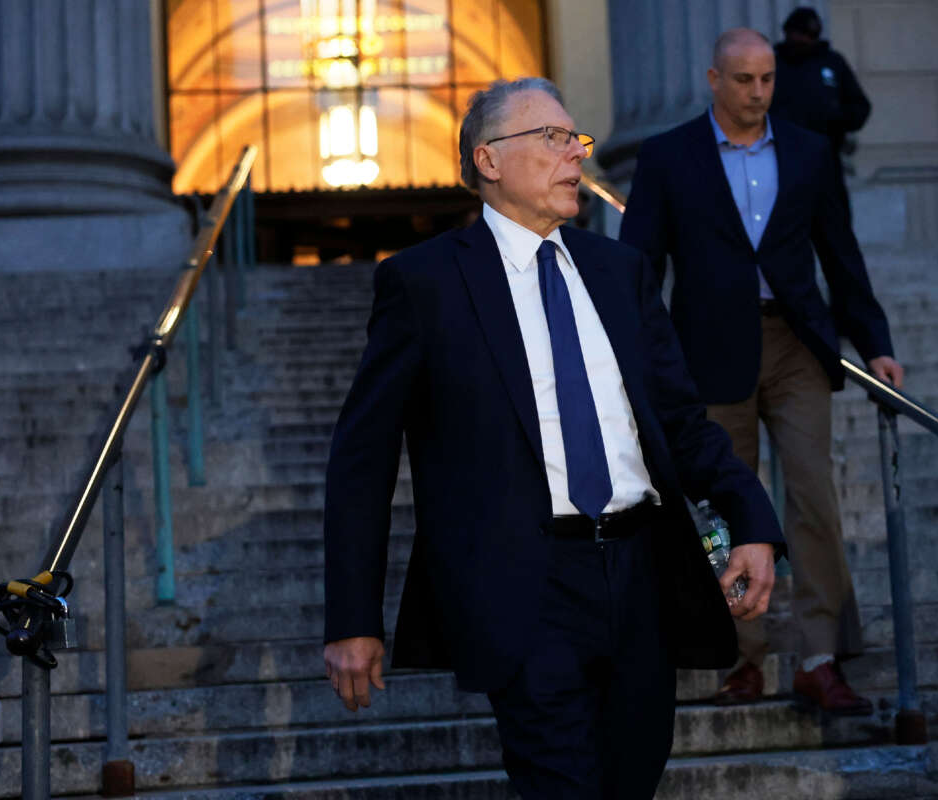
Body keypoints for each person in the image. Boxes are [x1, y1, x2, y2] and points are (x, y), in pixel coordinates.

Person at [322, 76, 784, 799]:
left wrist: (751, 520)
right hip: (524, 589)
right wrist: (354, 619)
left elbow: (682, 424)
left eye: (578, 139)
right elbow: (362, 461)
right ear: (489, 160)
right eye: (554, 138)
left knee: (632, 780)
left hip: (642, 576)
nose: (577, 154)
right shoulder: (425, 284)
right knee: (560, 785)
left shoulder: (619, 271)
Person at [619, 29, 903, 716]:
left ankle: (818, 658)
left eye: (767, 79)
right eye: (744, 80)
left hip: (799, 346)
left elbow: (841, 252)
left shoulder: (807, 151)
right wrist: (637, 361)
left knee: (813, 498)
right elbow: (639, 268)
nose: (757, 93)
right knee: (720, 513)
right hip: (707, 356)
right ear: (714, 79)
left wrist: (874, 341)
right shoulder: (667, 156)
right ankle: (740, 655)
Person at [771, 7, 870, 216]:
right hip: (780, 160)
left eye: (811, 35)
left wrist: (837, 119)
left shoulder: (832, 62)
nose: (805, 40)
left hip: (825, 159)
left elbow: (859, 105)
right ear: (788, 32)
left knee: (835, 227)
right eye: (801, 33)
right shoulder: (771, 65)